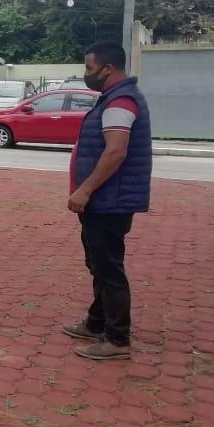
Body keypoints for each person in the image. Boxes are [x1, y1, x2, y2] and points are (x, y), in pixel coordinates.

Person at [63, 41, 152, 361]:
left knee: (108, 268)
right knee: (99, 264)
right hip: (106, 200)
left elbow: (115, 152)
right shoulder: (114, 98)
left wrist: (85, 190)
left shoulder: (120, 101)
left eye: (89, 68)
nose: (86, 74)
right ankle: (97, 322)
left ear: (108, 69)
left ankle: (117, 339)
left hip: (109, 200)